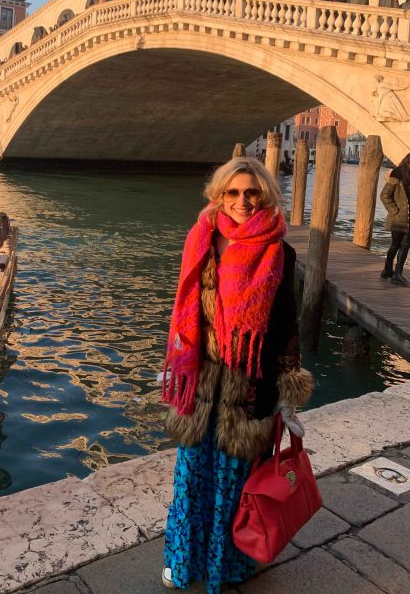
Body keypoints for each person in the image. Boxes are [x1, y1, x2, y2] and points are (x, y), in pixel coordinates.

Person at [161, 157, 313, 592]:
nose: (242, 201)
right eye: (233, 192)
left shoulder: (280, 251)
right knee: (190, 479)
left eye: (251, 193)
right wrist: (175, 364)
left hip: (250, 386)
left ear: (264, 194)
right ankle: (181, 560)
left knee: (235, 485)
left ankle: (229, 566)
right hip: (202, 382)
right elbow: (184, 312)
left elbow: (286, 326)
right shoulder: (201, 240)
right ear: (219, 195)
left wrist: (286, 393)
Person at [379, 153, 410, 287]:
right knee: (395, 245)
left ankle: (397, 274)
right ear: (408, 162)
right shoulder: (397, 175)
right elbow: (385, 196)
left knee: (405, 246)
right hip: (398, 219)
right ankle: (389, 269)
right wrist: (395, 211)